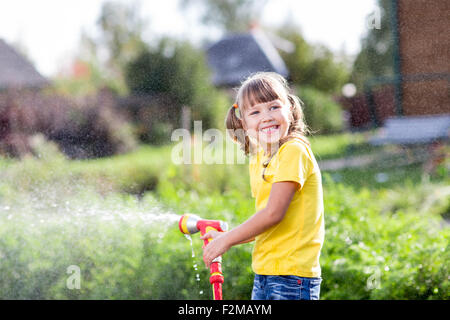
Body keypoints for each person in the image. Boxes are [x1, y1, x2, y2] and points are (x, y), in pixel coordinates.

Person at [201, 72, 325, 300]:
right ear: (243, 123)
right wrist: (226, 236)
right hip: (265, 274)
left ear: (290, 109)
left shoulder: (293, 150)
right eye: (255, 112)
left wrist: (227, 240)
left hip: (293, 277)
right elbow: (265, 222)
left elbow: (274, 214)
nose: (266, 116)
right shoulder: (259, 159)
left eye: (274, 107)